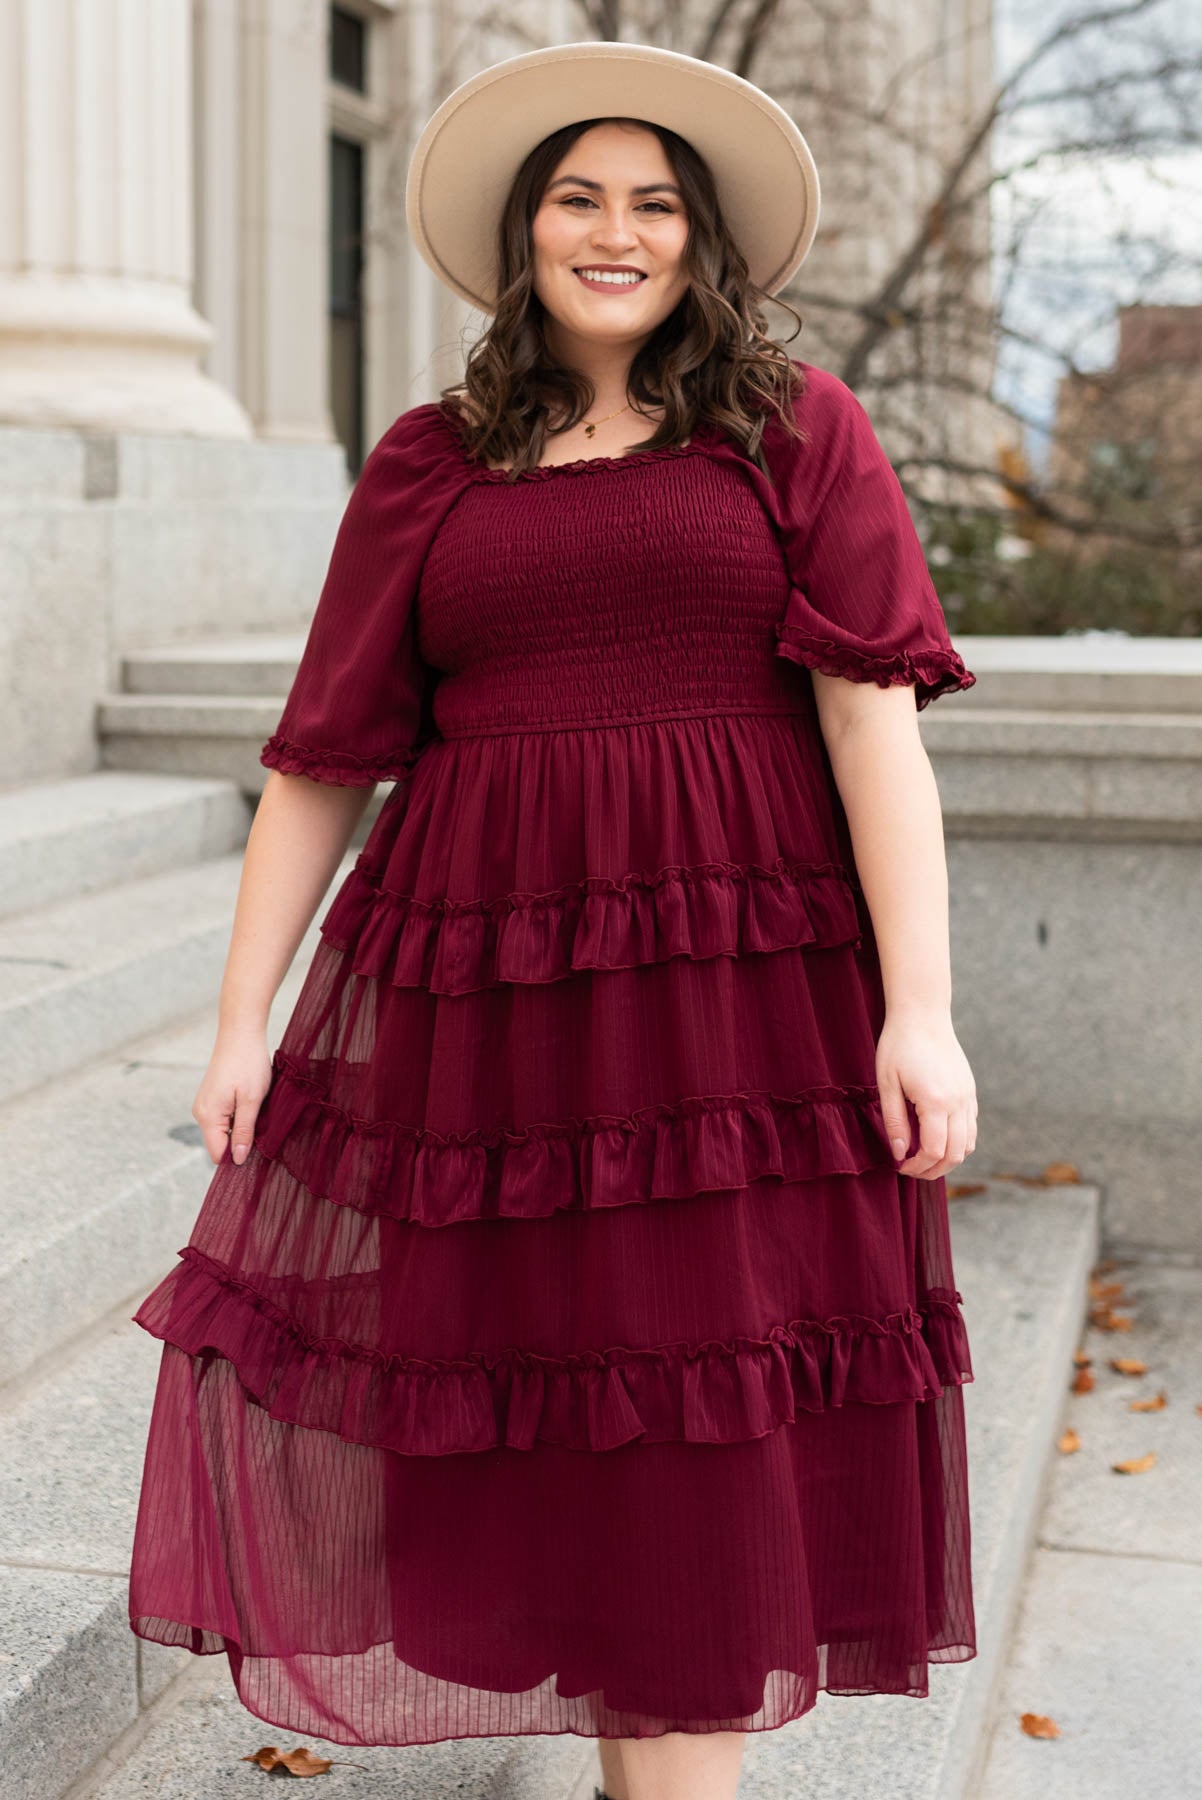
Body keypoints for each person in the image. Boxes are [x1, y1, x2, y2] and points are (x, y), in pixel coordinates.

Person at [126, 40, 979, 1800]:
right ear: (523, 236)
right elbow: (323, 762)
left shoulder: (791, 432)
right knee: (559, 1419)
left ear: (702, 241)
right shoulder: (432, 464)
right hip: (489, 1010)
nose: (616, 233)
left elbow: (870, 727)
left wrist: (922, 1011)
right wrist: (239, 1023)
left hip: (738, 1011)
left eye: (653, 204)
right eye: (578, 200)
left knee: (694, 1440)